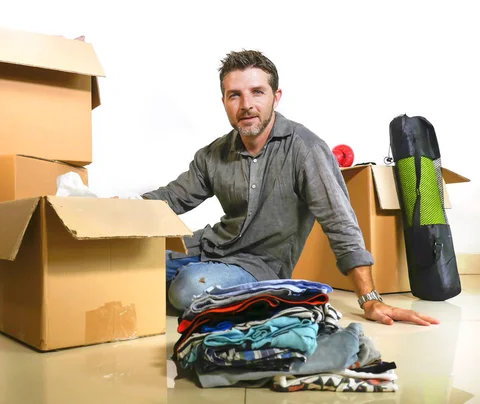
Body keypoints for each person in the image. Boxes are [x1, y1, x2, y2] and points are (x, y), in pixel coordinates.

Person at [141, 49, 439, 327]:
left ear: (276, 96)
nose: (246, 105)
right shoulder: (212, 154)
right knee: (131, 268)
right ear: (224, 102)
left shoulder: (306, 149)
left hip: (259, 266)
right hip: (207, 248)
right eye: (235, 95)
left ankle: (264, 293)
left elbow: (340, 223)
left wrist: (369, 299)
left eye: (257, 92)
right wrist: (120, 209)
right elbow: (170, 199)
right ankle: (188, 280)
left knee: (186, 289)